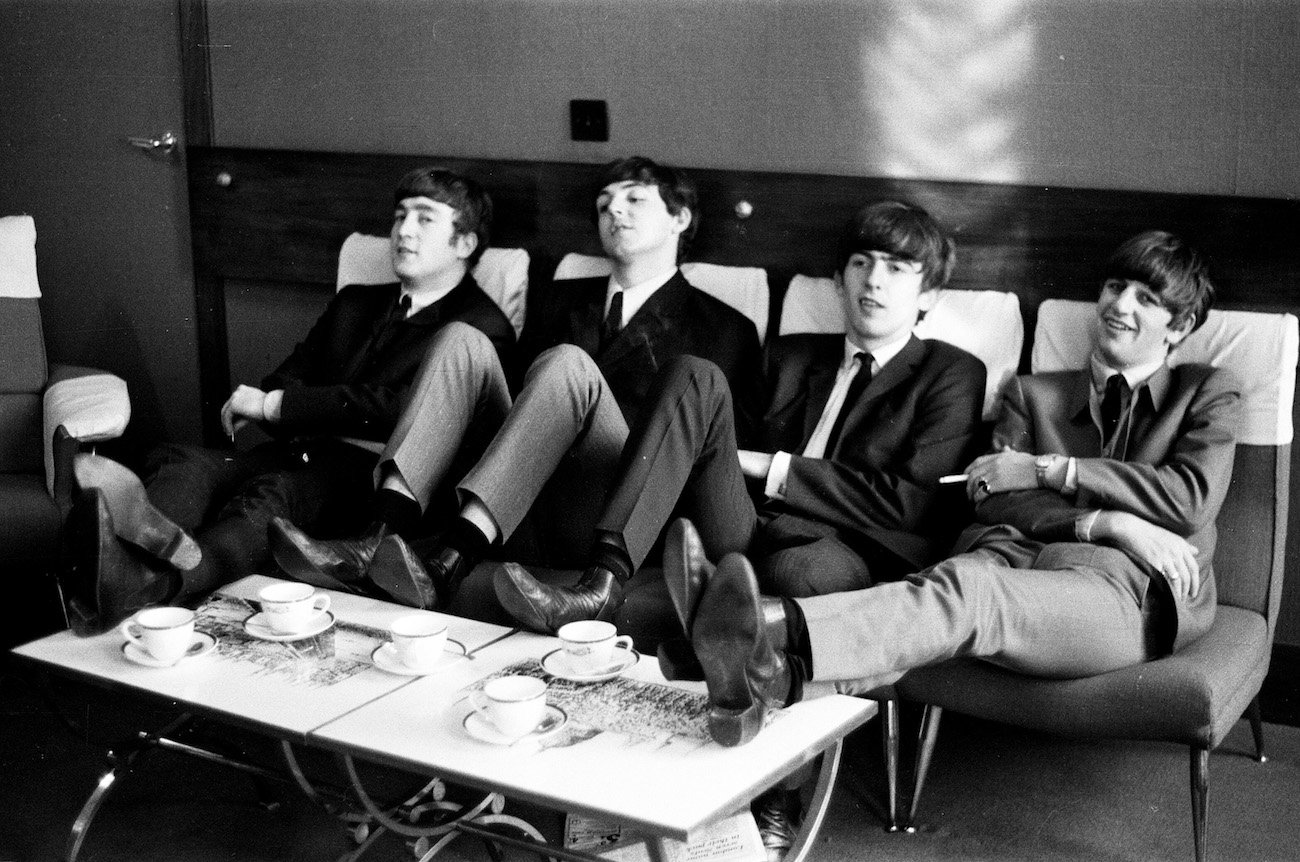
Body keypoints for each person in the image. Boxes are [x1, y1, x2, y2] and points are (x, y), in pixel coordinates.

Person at [671, 229, 1237, 750]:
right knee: (950, 588)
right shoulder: (1033, 394)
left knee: (971, 595)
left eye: (1146, 298)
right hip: (1007, 556)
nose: (1120, 305)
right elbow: (990, 492)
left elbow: (1189, 497)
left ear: (1181, 326)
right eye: (1115, 287)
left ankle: (758, 624)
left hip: (1125, 589)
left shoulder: (1207, 392)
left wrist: (1054, 472)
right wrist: (1106, 519)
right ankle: (774, 681)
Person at [268, 156, 765, 614]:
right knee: (462, 339)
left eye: (634, 198)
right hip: (530, 490)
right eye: (604, 203)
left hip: (623, 501)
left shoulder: (726, 327)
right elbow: (513, 403)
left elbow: (719, 457)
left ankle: (457, 553)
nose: (614, 210)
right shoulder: (559, 299)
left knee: (568, 362)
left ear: (680, 219)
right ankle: (377, 536)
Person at [493, 200, 987, 639]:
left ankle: (723, 616)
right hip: (743, 523)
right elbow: (717, 456)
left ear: (929, 295)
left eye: (897, 268)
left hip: (844, 543)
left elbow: (907, 504)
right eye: (861, 264)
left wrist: (770, 466)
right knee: (694, 374)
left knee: (797, 572)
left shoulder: (950, 373)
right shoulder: (788, 356)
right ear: (839, 282)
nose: (874, 280)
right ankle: (602, 581)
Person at [68, 166, 515, 633]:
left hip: (367, 475)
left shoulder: (481, 328)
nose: (402, 230)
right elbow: (287, 375)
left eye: (425, 219)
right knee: (186, 462)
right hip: (295, 449)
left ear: (464, 243)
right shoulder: (356, 303)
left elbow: (401, 409)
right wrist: (281, 402)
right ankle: (130, 558)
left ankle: (150, 586)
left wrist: (281, 406)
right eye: (399, 216)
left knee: (268, 499)